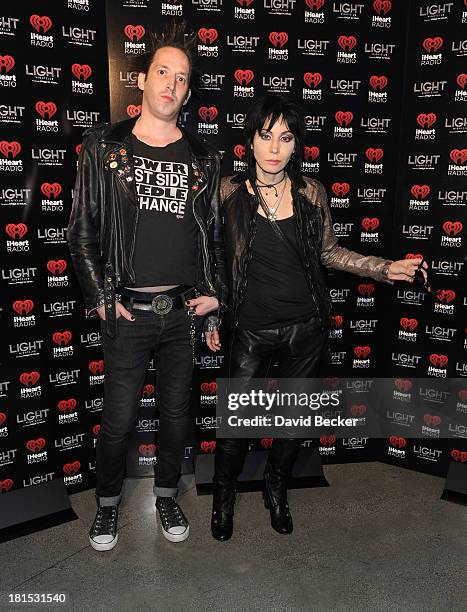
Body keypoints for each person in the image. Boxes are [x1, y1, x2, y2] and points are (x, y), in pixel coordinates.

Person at [205, 94, 428, 542]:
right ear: (250, 141)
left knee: (289, 423)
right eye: (265, 136)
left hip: (305, 329)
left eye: (284, 138)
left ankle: (275, 488)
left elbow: (330, 252)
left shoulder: (311, 193)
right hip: (250, 329)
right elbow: (211, 257)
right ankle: (223, 498)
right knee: (235, 428)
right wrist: (210, 318)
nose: (274, 148)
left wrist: (386, 268)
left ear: (295, 146)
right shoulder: (227, 190)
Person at [67, 22, 226, 551]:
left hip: (182, 314)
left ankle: (165, 496)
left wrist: (213, 301)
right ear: (143, 79)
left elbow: (213, 240)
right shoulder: (104, 146)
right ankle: (107, 508)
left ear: (188, 90)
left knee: (178, 417)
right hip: (128, 314)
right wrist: (101, 299)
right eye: (163, 72)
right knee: (118, 421)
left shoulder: (204, 158)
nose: (171, 85)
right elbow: (83, 230)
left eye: (182, 79)